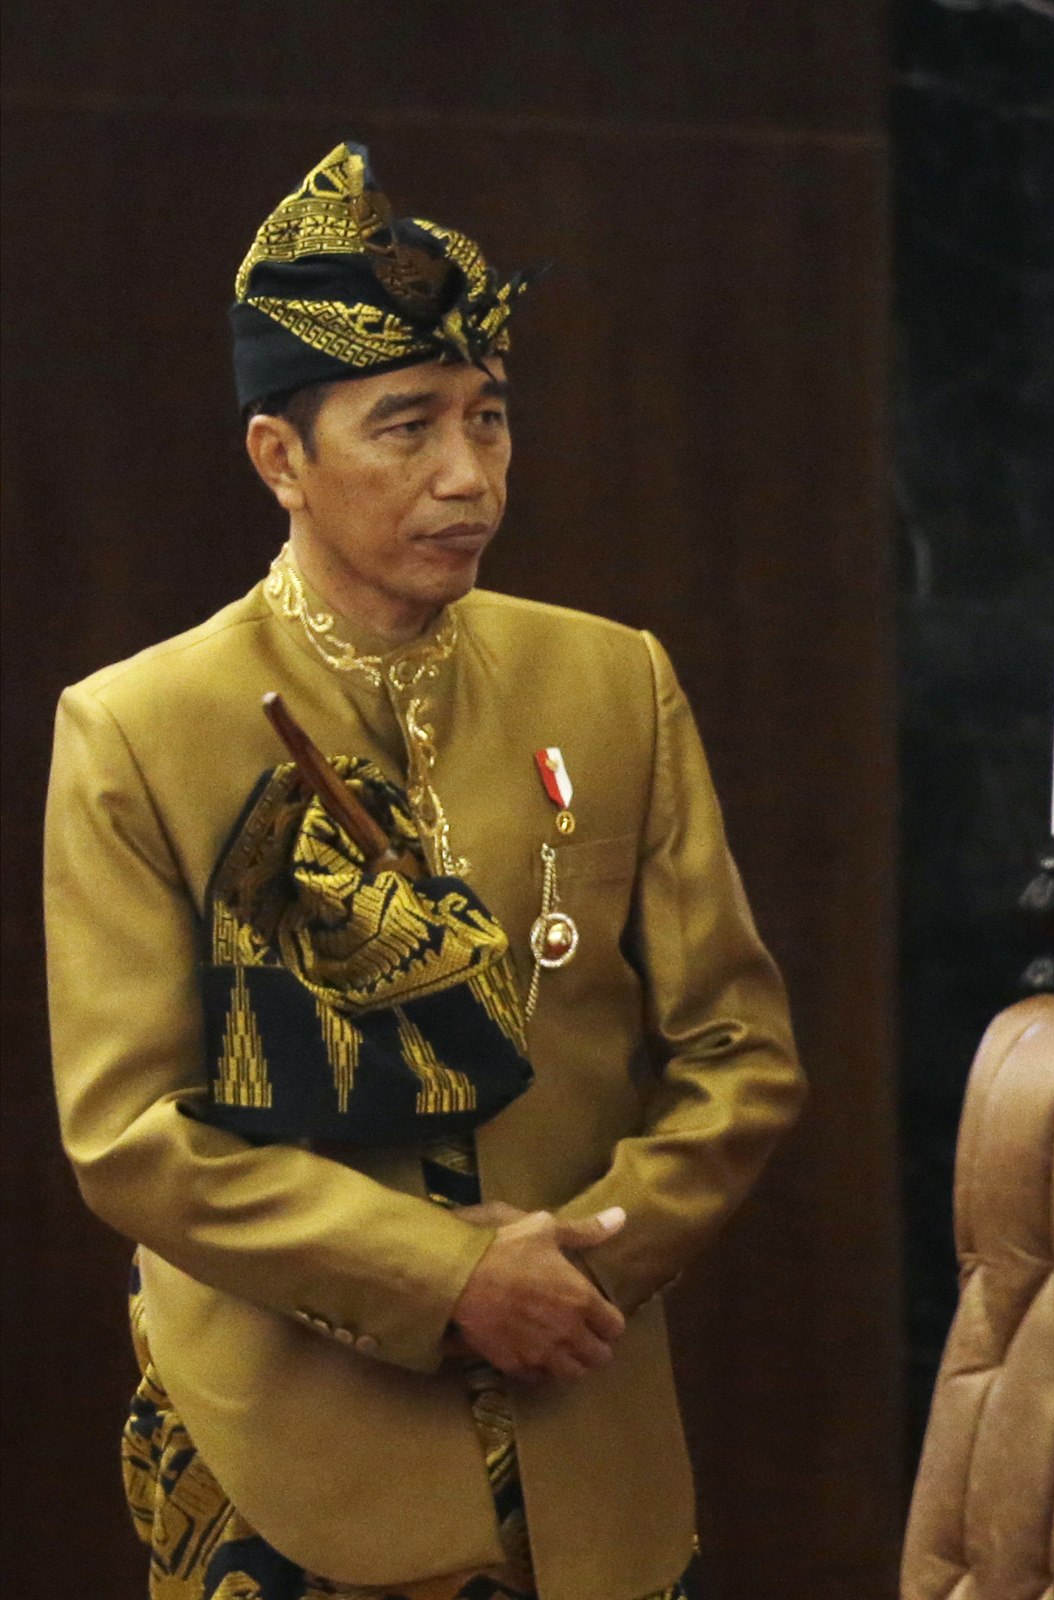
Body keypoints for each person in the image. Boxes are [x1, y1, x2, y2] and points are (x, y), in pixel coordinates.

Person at [44, 142, 806, 1600]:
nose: (469, 474)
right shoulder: (139, 728)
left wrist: (581, 1265)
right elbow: (131, 1136)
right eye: (406, 426)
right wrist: (444, 1278)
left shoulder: (615, 682)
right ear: (280, 458)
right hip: (293, 1464)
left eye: (489, 418)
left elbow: (741, 1056)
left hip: (593, 1444)